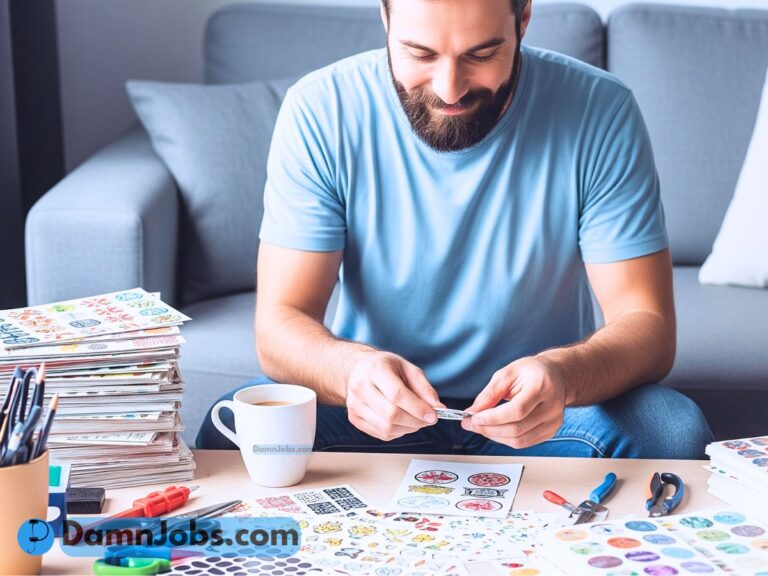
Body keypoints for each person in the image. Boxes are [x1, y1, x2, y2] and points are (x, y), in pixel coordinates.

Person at [197, 0, 713, 458]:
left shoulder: (601, 110)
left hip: (544, 418)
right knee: (234, 429)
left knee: (671, 431)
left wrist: (561, 376)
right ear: (385, 16)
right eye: (421, 54)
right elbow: (280, 323)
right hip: (372, 414)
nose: (450, 88)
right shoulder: (320, 110)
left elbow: (647, 324)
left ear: (524, 19)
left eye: (481, 54)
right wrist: (351, 371)